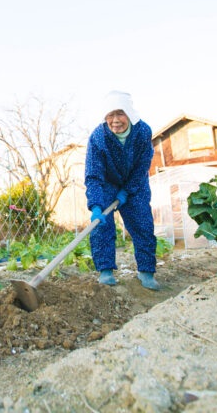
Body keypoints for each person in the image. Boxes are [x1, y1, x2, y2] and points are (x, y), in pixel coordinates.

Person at [84, 91, 160, 290]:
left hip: (135, 183)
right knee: (102, 225)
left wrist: (128, 190)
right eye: (110, 115)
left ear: (130, 114)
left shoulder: (143, 132)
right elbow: (93, 175)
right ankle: (105, 271)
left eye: (120, 114)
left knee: (142, 223)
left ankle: (146, 272)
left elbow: (143, 165)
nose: (115, 120)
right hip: (107, 183)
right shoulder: (98, 137)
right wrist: (96, 206)